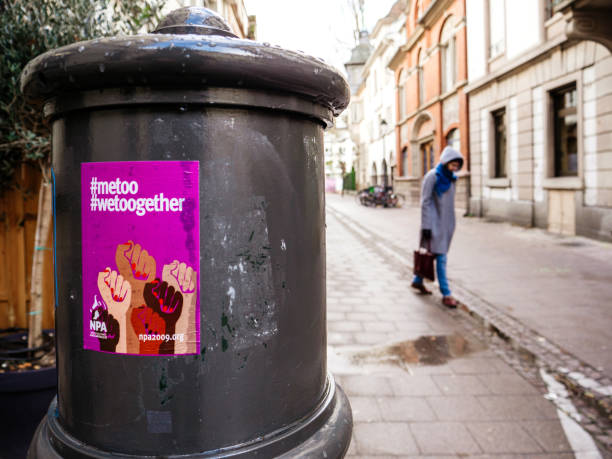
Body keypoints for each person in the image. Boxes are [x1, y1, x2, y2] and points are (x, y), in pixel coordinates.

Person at [411, 146, 464, 308]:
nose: (454, 168)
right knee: (441, 259)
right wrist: (427, 226)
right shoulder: (432, 176)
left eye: (457, 165)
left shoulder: (452, 178)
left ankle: (417, 281)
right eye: (452, 164)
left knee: (430, 255)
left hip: (446, 224)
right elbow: (425, 202)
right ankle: (446, 294)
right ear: (445, 161)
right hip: (432, 225)